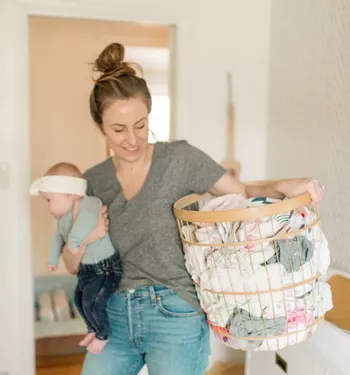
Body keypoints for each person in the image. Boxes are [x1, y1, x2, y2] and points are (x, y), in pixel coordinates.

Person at [62, 42, 324, 375]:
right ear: (101, 125)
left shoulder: (179, 159)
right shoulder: (93, 182)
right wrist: (87, 238)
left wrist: (285, 185)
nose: (131, 139)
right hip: (113, 316)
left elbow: (241, 190)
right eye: (118, 129)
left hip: (174, 313)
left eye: (140, 125)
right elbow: (72, 264)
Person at [29, 162, 122, 354]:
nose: (48, 207)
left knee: (93, 302)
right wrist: (53, 260)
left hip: (104, 268)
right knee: (79, 300)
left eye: (49, 200)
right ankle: (93, 329)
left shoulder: (87, 204)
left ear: (70, 195)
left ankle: (103, 334)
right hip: (87, 270)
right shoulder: (63, 219)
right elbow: (57, 238)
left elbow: (87, 221)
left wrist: (75, 241)